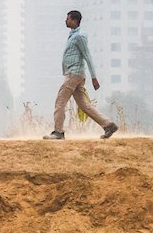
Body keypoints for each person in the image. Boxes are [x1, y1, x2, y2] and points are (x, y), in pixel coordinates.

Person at [44, 10, 118, 140]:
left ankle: (58, 132)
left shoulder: (80, 36)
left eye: (67, 19)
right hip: (74, 74)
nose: (65, 21)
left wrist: (94, 77)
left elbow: (87, 56)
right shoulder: (74, 35)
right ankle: (108, 125)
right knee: (84, 105)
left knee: (60, 102)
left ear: (74, 20)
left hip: (74, 74)